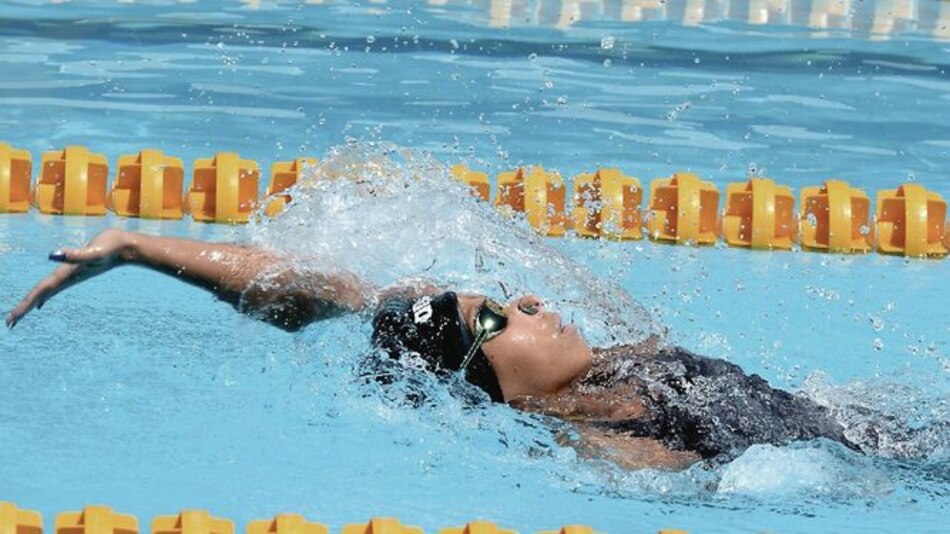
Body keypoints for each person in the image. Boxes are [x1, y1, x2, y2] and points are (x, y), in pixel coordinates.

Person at [6, 228, 862, 470]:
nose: (530, 302)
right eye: (500, 321)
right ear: (485, 385)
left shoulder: (614, 363)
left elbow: (322, 293)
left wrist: (140, 248)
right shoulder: (601, 437)